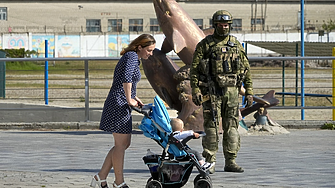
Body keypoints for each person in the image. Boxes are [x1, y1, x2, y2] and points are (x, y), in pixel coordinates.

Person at [190, 10, 254, 174]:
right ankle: (209, 162)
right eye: (220, 25)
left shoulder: (236, 44)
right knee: (211, 128)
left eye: (226, 25)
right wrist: (196, 89)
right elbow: (195, 70)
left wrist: (249, 92)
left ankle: (230, 161)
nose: (224, 28)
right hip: (212, 92)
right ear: (215, 25)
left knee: (232, 127)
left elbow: (246, 69)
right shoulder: (205, 44)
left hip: (232, 93)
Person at [90, 34, 156, 188]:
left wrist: (134, 97)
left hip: (121, 102)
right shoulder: (132, 57)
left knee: (124, 143)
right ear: (140, 47)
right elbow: (126, 79)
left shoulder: (133, 57)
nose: (151, 53)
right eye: (149, 50)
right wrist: (129, 99)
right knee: (121, 144)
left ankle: (100, 177)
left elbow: (125, 81)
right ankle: (119, 182)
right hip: (118, 103)